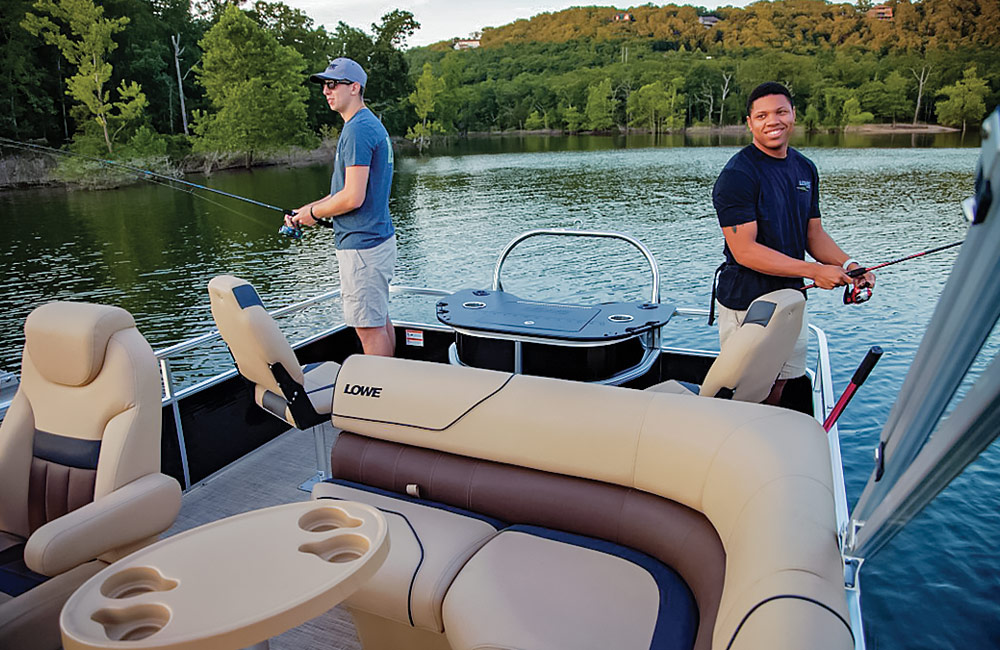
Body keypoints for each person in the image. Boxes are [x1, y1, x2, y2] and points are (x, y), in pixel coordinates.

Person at [712, 81, 875, 404]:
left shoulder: (804, 168)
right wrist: (815, 272)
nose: (772, 121)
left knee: (780, 384)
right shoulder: (737, 175)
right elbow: (745, 251)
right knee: (746, 391)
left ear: (793, 115)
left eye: (780, 112)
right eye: (762, 116)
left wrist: (849, 266)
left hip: (791, 299)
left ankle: (765, 444)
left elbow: (813, 234)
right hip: (749, 303)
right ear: (749, 123)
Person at [286, 58, 397, 357]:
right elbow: (343, 193)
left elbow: (352, 198)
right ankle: (389, 387)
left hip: (362, 246)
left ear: (355, 87)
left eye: (333, 84)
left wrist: (312, 214)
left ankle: (381, 396)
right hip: (374, 241)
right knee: (378, 321)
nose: (326, 90)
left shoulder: (358, 130)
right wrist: (305, 211)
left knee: (369, 330)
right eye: (324, 85)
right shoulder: (367, 124)